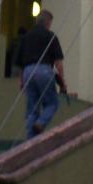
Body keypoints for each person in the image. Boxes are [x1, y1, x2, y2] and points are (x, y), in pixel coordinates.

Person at [15, 9, 67, 139]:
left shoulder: (26, 37)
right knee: (52, 103)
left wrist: (21, 80)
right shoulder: (50, 36)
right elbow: (58, 62)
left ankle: (31, 139)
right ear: (48, 22)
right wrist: (63, 82)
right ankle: (41, 122)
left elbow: (20, 62)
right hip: (43, 70)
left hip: (27, 71)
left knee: (32, 108)